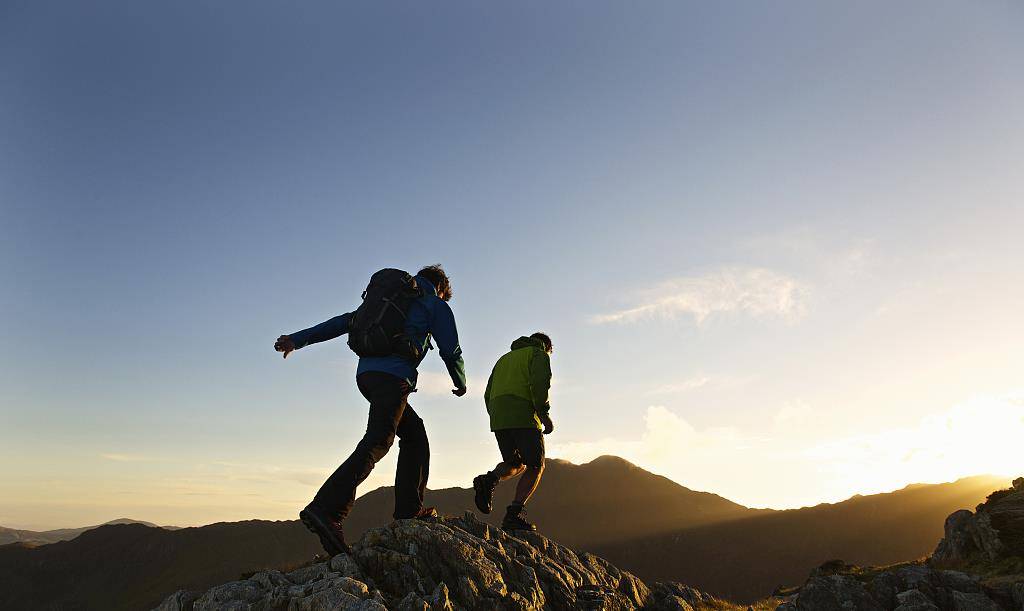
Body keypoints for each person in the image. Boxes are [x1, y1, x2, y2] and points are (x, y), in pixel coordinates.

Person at [274, 265, 467, 555]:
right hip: (393, 378)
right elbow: (451, 349)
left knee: (414, 433)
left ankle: (408, 510)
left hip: (367, 376)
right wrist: (460, 382)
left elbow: (343, 322)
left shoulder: (386, 302)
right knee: (378, 440)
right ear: (441, 288)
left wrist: (297, 339)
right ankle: (327, 510)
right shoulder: (433, 303)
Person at [472, 332, 554, 532]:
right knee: (535, 465)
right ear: (547, 347)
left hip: (499, 416)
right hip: (523, 414)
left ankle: (488, 480)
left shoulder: (503, 359)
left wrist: (496, 414)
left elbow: (487, 392)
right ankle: (514, 515)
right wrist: (543, 414)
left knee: (516, 462)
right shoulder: (538, 354)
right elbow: (540, 383)